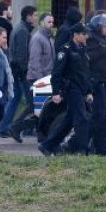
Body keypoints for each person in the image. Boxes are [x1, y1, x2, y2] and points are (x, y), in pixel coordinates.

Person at [38, 23, 92, 156]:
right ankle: (81, 149)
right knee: (82, 119)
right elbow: (57, 73)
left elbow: (86, 73)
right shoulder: (65, 50)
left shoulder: (83, 50)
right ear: (76, 35)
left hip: (81, 89)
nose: (86, 36)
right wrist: (56, 92)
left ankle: (47, 145)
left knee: (68, 122)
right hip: (71, 89)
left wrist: (89, 91)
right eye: (84, 34)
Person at [8, 12, 56, 142]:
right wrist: (40, 80)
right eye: (48, 22)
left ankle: (29, 131)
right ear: (41, 23)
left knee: (40, 107)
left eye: (52, 22)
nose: (51, 24)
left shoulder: (49, 38)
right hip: (38, 78)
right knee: (36, 106)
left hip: (46, 78)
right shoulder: (38, 38)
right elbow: (34, 61)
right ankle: (17, 127)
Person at [0, 5, 37, 140]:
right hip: (21, 72)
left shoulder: (20, 28)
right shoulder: (23, 31)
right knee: (32, 102)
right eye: (34, 15)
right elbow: (21, 56)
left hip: (16, 71)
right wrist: (26, 73)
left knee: (15, 99)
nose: (36, 18)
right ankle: (18, 127)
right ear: (28, 16)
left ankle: (4, 127)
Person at [85, 14, 106, 155]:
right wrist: (104, 50)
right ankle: (90, 147)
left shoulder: (104, 40)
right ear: (98, 27)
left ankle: (103, 149)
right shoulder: (91, 40)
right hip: (97, 83)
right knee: (98, 118)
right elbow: (89, 59)